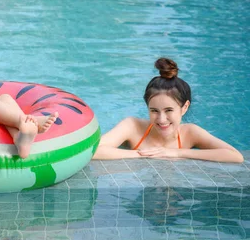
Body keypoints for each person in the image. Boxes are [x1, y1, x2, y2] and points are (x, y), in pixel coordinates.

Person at [93, 58, 244, 163]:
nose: (161, 119)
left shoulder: (190, 133)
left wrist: (177, 152)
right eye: (154, 111)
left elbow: (235, 156)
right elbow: (93, 151)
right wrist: (143, 154)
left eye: (169, 110)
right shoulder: (132, 126)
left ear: (184, 108)